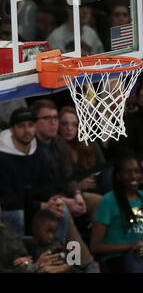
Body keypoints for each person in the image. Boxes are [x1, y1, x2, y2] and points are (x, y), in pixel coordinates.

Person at [30, 99, 101, 272]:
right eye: (47, 118)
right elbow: (37, 188)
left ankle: (100, 248)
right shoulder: (30, 146)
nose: (53, 123)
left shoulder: (59, 143)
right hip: (43, 200)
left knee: (99, 201)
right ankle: (86, 263)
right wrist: (67, 200)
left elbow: (69, 176)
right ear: (35, 123)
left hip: (64, 194)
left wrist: (77, 194)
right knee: (63, 209)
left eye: (55, 118)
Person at [0, 108, 67, 241]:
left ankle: (56, 255)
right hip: (10, 210)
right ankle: (23, 258)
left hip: (32, 205)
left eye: (30, 125)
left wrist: (54, 200)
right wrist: (41, 206)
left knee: (61, 211)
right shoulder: (2, 157)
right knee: (19, 216)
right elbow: (8, 200)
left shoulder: (39, 153)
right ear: (12, 130)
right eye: (21, 126)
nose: (27, 130)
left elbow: (46, 186)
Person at [90, 155, 143, 272]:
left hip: (141, 256)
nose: (134, 176)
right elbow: (95, 247)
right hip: (117, 260)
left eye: (137, 171)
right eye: (128, 172)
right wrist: (131, 246)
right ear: (119, 175)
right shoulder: (109, 201)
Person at [58, 106, 109, 195]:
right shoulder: (55, 147)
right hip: (72, 192)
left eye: (74, 125)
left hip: (96, 185)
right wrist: (77, 186)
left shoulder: (89, 142)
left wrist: (94, 178)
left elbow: (103, 166)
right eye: (64, 124)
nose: (69, 128)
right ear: (58, 125)